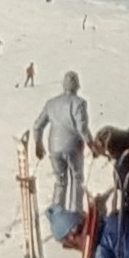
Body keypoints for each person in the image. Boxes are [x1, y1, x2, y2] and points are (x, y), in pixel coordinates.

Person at [32, 70, 95, 213]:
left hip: (54, 146)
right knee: (76, 178)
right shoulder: (79, 103)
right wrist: (91, 144)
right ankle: (74, 214)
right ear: (77, 86)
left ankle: (57, 212)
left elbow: (37, 125)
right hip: (73, 145)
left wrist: (38, 143)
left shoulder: (51, 103)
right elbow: (82, 127)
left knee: (60, 180)